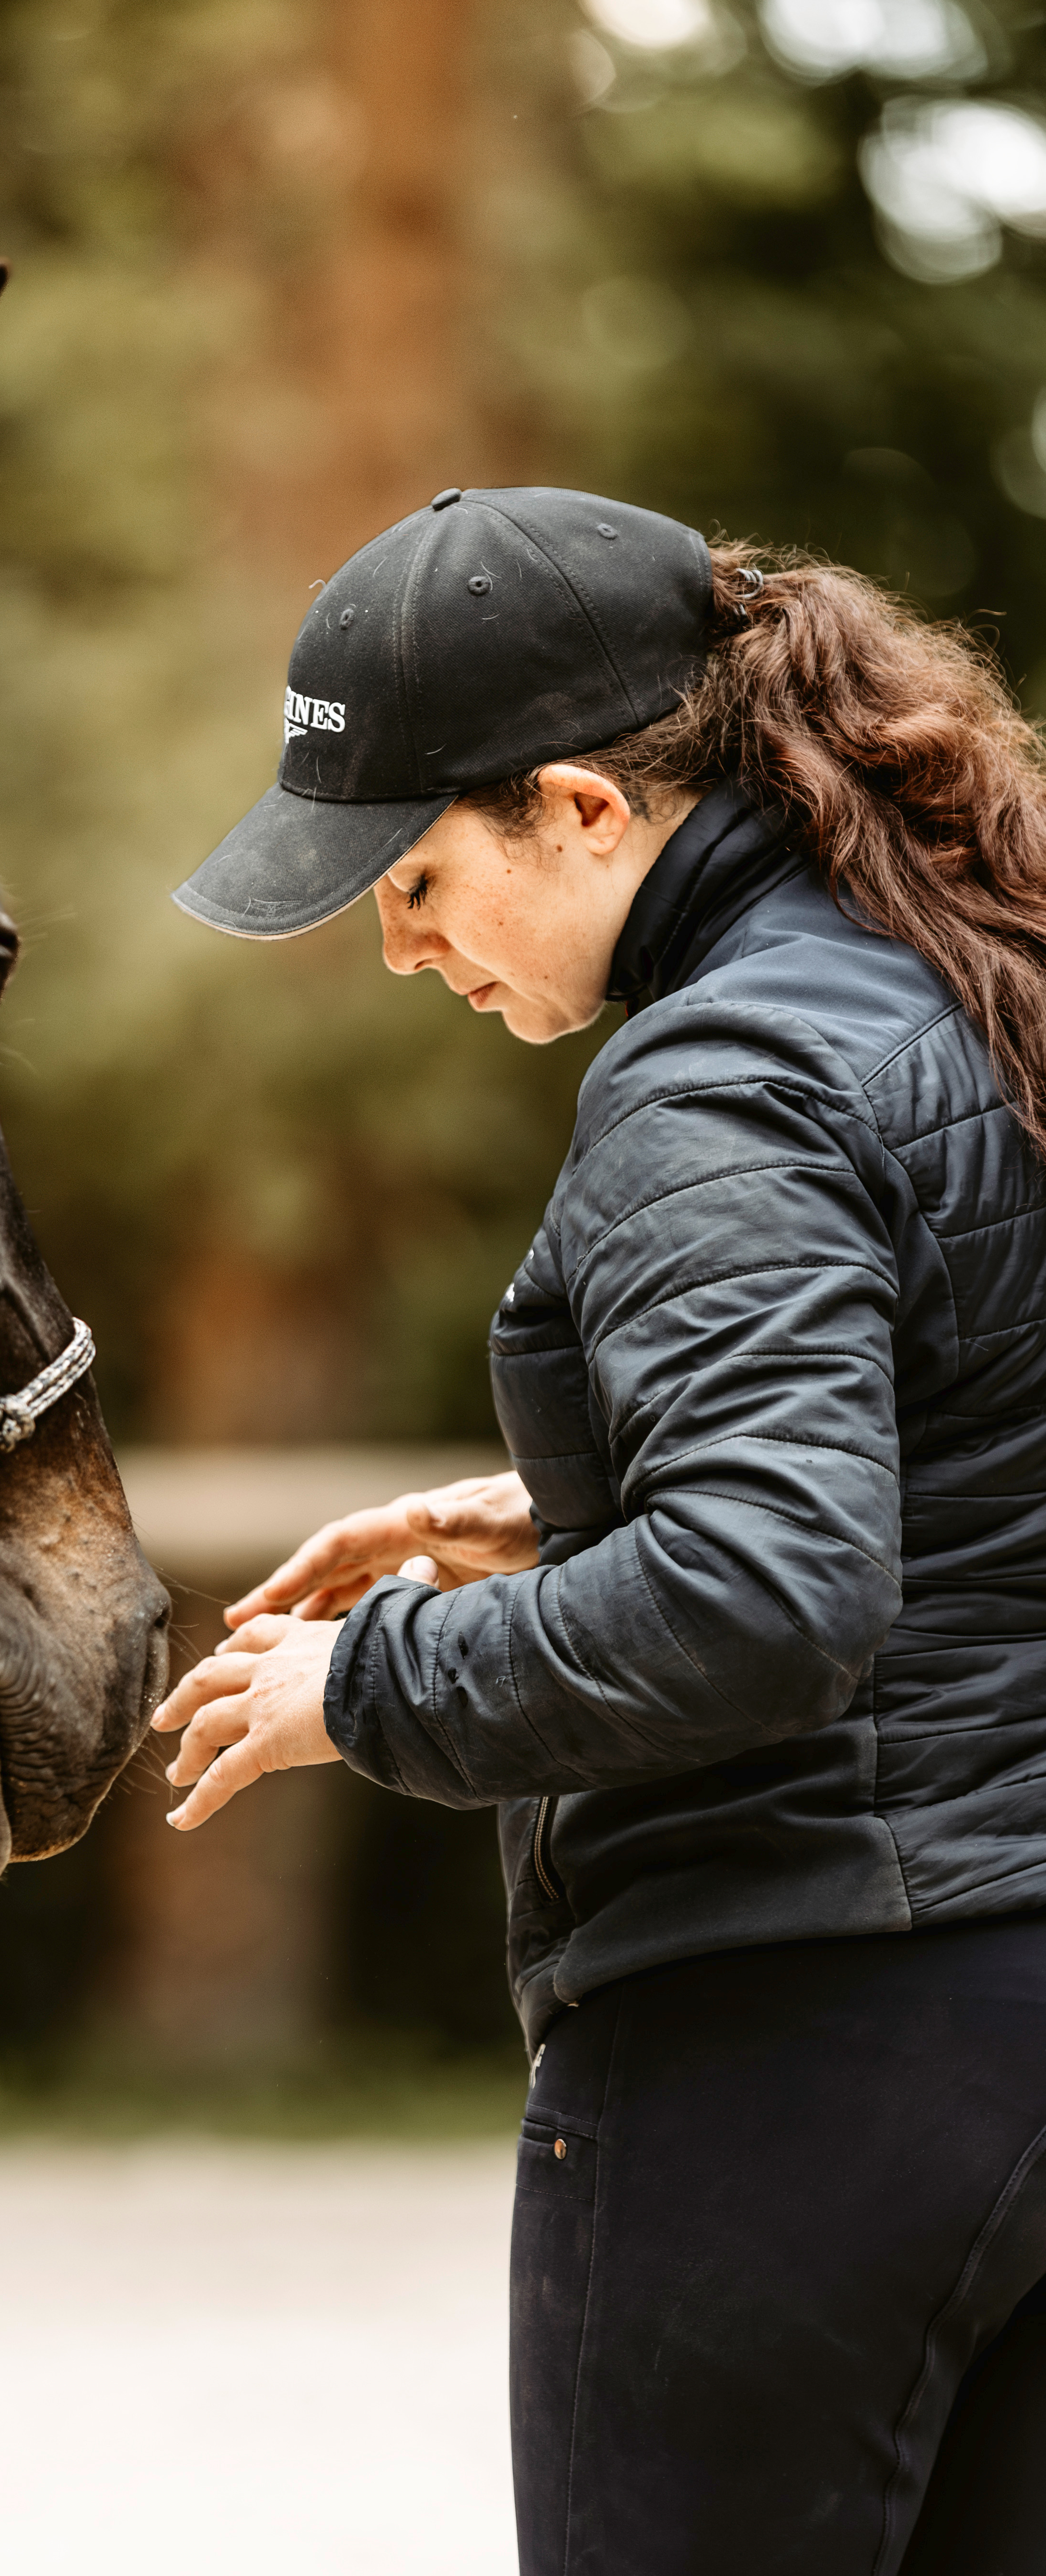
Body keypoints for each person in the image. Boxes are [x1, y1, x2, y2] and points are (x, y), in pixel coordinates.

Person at [151, 485, 1046, 2575]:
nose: (400, 947)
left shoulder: (718, 1074)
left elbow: (769, 1593)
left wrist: (358, 1684)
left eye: (419, 876)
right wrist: (563, 1514)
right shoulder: (959, 996)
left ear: (580, 807)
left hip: (793, 2053)